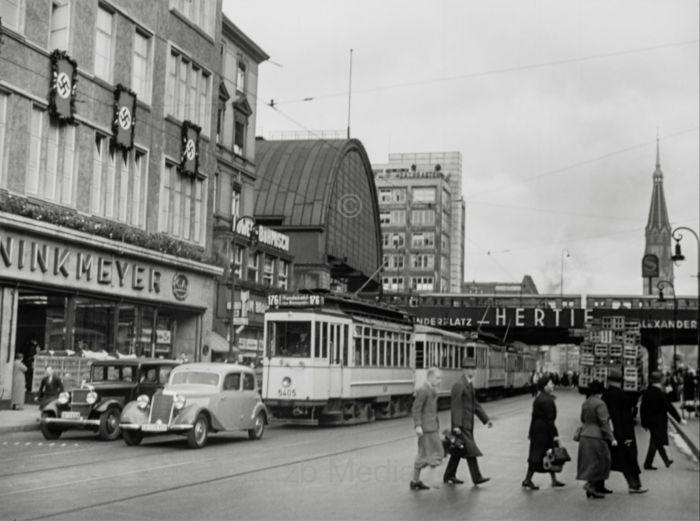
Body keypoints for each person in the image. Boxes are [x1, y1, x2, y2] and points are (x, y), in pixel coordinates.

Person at [442, 357, 493, 486]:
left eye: (474, 368)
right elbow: (456, 406)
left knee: (458, 450)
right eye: (470, 368)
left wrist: (486, 420)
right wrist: (457, 425)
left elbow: (475, 405)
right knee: (471, 450)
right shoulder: (459, 385)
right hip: (462, 425)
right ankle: (477, 477)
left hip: (467, 425)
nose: (473, 371)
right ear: (464, 370)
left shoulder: (469, 385)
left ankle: (449, 475)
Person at [602, 369, 647, 494]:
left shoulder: (605, 396)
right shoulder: (623, 396)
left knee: (606, 459)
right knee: (629, 459)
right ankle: (634, 485)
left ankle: (595, 484)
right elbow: (628, 414)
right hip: (623, 433)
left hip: (610, 433)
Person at [522, 376, 565, 490]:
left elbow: (533, 417)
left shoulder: (539, 398)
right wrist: (555, 435)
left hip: (537, 430)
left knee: (546, 455)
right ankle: (528, 480)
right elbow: (550, 420)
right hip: (544, 431)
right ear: (545, 386)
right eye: (551, 384)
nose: (553, 385)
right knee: (541, 456)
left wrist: (530, 432)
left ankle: (552, 480)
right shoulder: (547, 400)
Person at [576, 380, 616, 499]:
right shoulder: (600, 404)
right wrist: (612, 438)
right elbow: (604, 423)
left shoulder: (586, 403)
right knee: (602, 461)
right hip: (596, 436)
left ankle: (594, 488)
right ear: (600, 391)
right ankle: (591, 486)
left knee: (590, 462)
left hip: (585, 435)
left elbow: (582, 419)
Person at [640, 370, 684, 470]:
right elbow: (670, 407)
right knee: (655, 442)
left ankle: (666, 460)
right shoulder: (661, 394)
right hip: (659, 421)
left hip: (650, 421)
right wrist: (679, 419)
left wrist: (644, 423)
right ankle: (648, 463)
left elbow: (642, 409)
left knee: (656, 441)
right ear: (660, 380)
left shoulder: (647, 393)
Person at [410, 367, 444, 490]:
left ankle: (415, 481)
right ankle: (435, 482)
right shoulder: (423, 390)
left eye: (440, 378)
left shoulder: (432, 390)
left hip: (432, 427)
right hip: (426, 429)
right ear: (430, 377)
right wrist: (418, 425)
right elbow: (416, 409)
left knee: (424, 454)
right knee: (436, 453)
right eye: (437, 378)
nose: (440, 381)